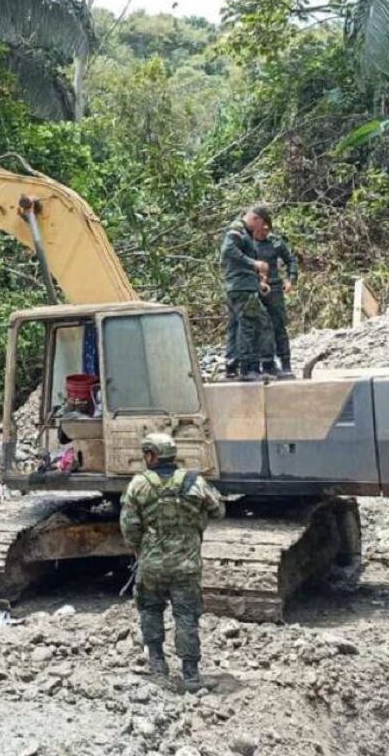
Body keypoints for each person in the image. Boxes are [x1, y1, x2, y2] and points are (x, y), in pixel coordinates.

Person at [119, 432, 225, 692]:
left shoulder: (138, 484)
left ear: (152, 456)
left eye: (146, 454)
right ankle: (190, 676)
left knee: (150, 610)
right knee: (187, 616)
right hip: (187, 565)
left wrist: (140, 550)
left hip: (152, 563)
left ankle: (158, 667)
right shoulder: (194, 481)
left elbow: (129, 527)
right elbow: (219, 510)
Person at [220, 205, 276, 380]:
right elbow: (228, 251)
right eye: (261, 226)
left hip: (240, 285)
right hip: (241, 287)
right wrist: (254, 263)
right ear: (255, 218)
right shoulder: (237, 229)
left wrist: (259, 281)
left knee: (236, 325)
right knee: (252, 323)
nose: (260, 231)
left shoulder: (244, 232)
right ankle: (249, 367)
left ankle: (232, 366)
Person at [256, 218, 298, 378]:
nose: (265, 232)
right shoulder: (247, 242)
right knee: (259, 326)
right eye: (262, 229)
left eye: (268, 229)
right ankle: (265, 363)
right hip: (255, 288)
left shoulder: (275, 242)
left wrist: (290, 279)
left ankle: (285, 363)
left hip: (274, 288)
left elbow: (291, 260)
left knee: (279, 325)